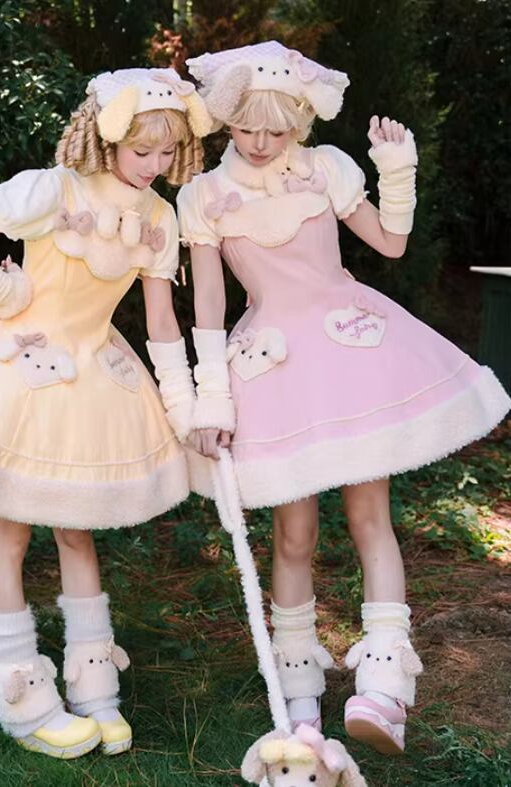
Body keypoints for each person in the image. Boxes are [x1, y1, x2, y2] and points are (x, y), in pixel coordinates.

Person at [178, 40, 510, 754]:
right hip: (274, 366)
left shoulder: (325, 169)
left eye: (276, 130)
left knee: (369, 516)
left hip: (350, 346)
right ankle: (299, 685)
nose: (260, 143)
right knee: (293, 534)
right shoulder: (204, 196)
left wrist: (398, 168)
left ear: (300, 123)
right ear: (227, 120)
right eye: (247, 128)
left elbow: (391, 244)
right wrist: (210, 396)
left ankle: (385, 682)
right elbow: (208, 304)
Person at [0, 67, 212, 759]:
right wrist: (5, 295)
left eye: (166, 152)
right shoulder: (51, 190)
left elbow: (160, 320)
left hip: (95, 375)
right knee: (9, 531)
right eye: (141, 150)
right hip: (24, 368)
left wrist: (184, 404)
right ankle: (19, 689)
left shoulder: (159, 217)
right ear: (107, 136)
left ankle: (93, 681)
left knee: (77, 531)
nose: (154, 164)